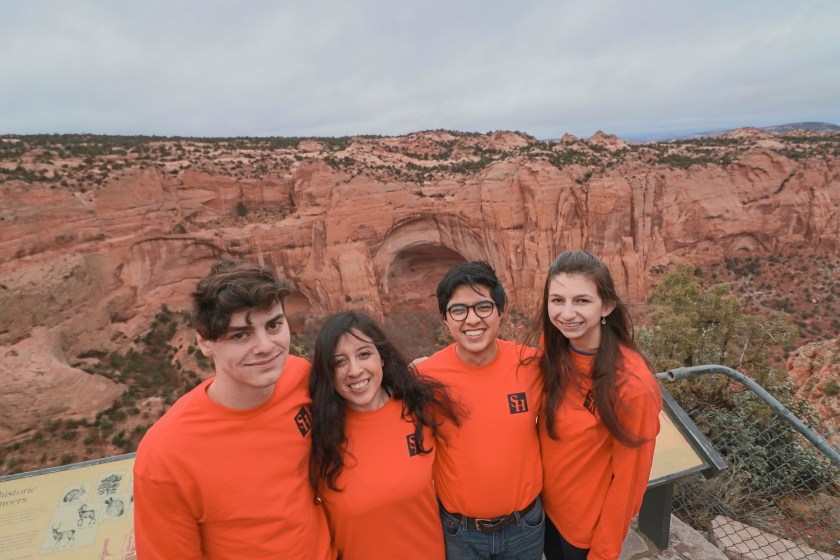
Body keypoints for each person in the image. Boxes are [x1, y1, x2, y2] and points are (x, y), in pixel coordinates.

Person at [133, 259, 334, 560]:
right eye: (241, 334)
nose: (266, 346)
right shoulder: (165, 456)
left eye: (274, 325)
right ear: (204, 341)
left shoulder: (300, 376)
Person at [533, 251, 662, 560]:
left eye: (581, 301)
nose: (567, 313)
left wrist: (603, 553)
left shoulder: (631, 385)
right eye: (558, 300)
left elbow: (628, 484)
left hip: (584, 534)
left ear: (606, 306)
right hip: (544, 512)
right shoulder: (553, 348)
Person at [415, 261, 545, 560]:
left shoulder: (532, 365)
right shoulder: (425, 378)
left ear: (500, 311)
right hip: (460, 533)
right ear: (446, 319)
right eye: (458, 310)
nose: (472, 319)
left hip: (524, 526)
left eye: (483, 307)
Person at [308, 311, 462, 559]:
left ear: (381, 358)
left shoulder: (420, 408)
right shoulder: (318, 437)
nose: (355, 370)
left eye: (364, 354)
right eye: (339, 362)